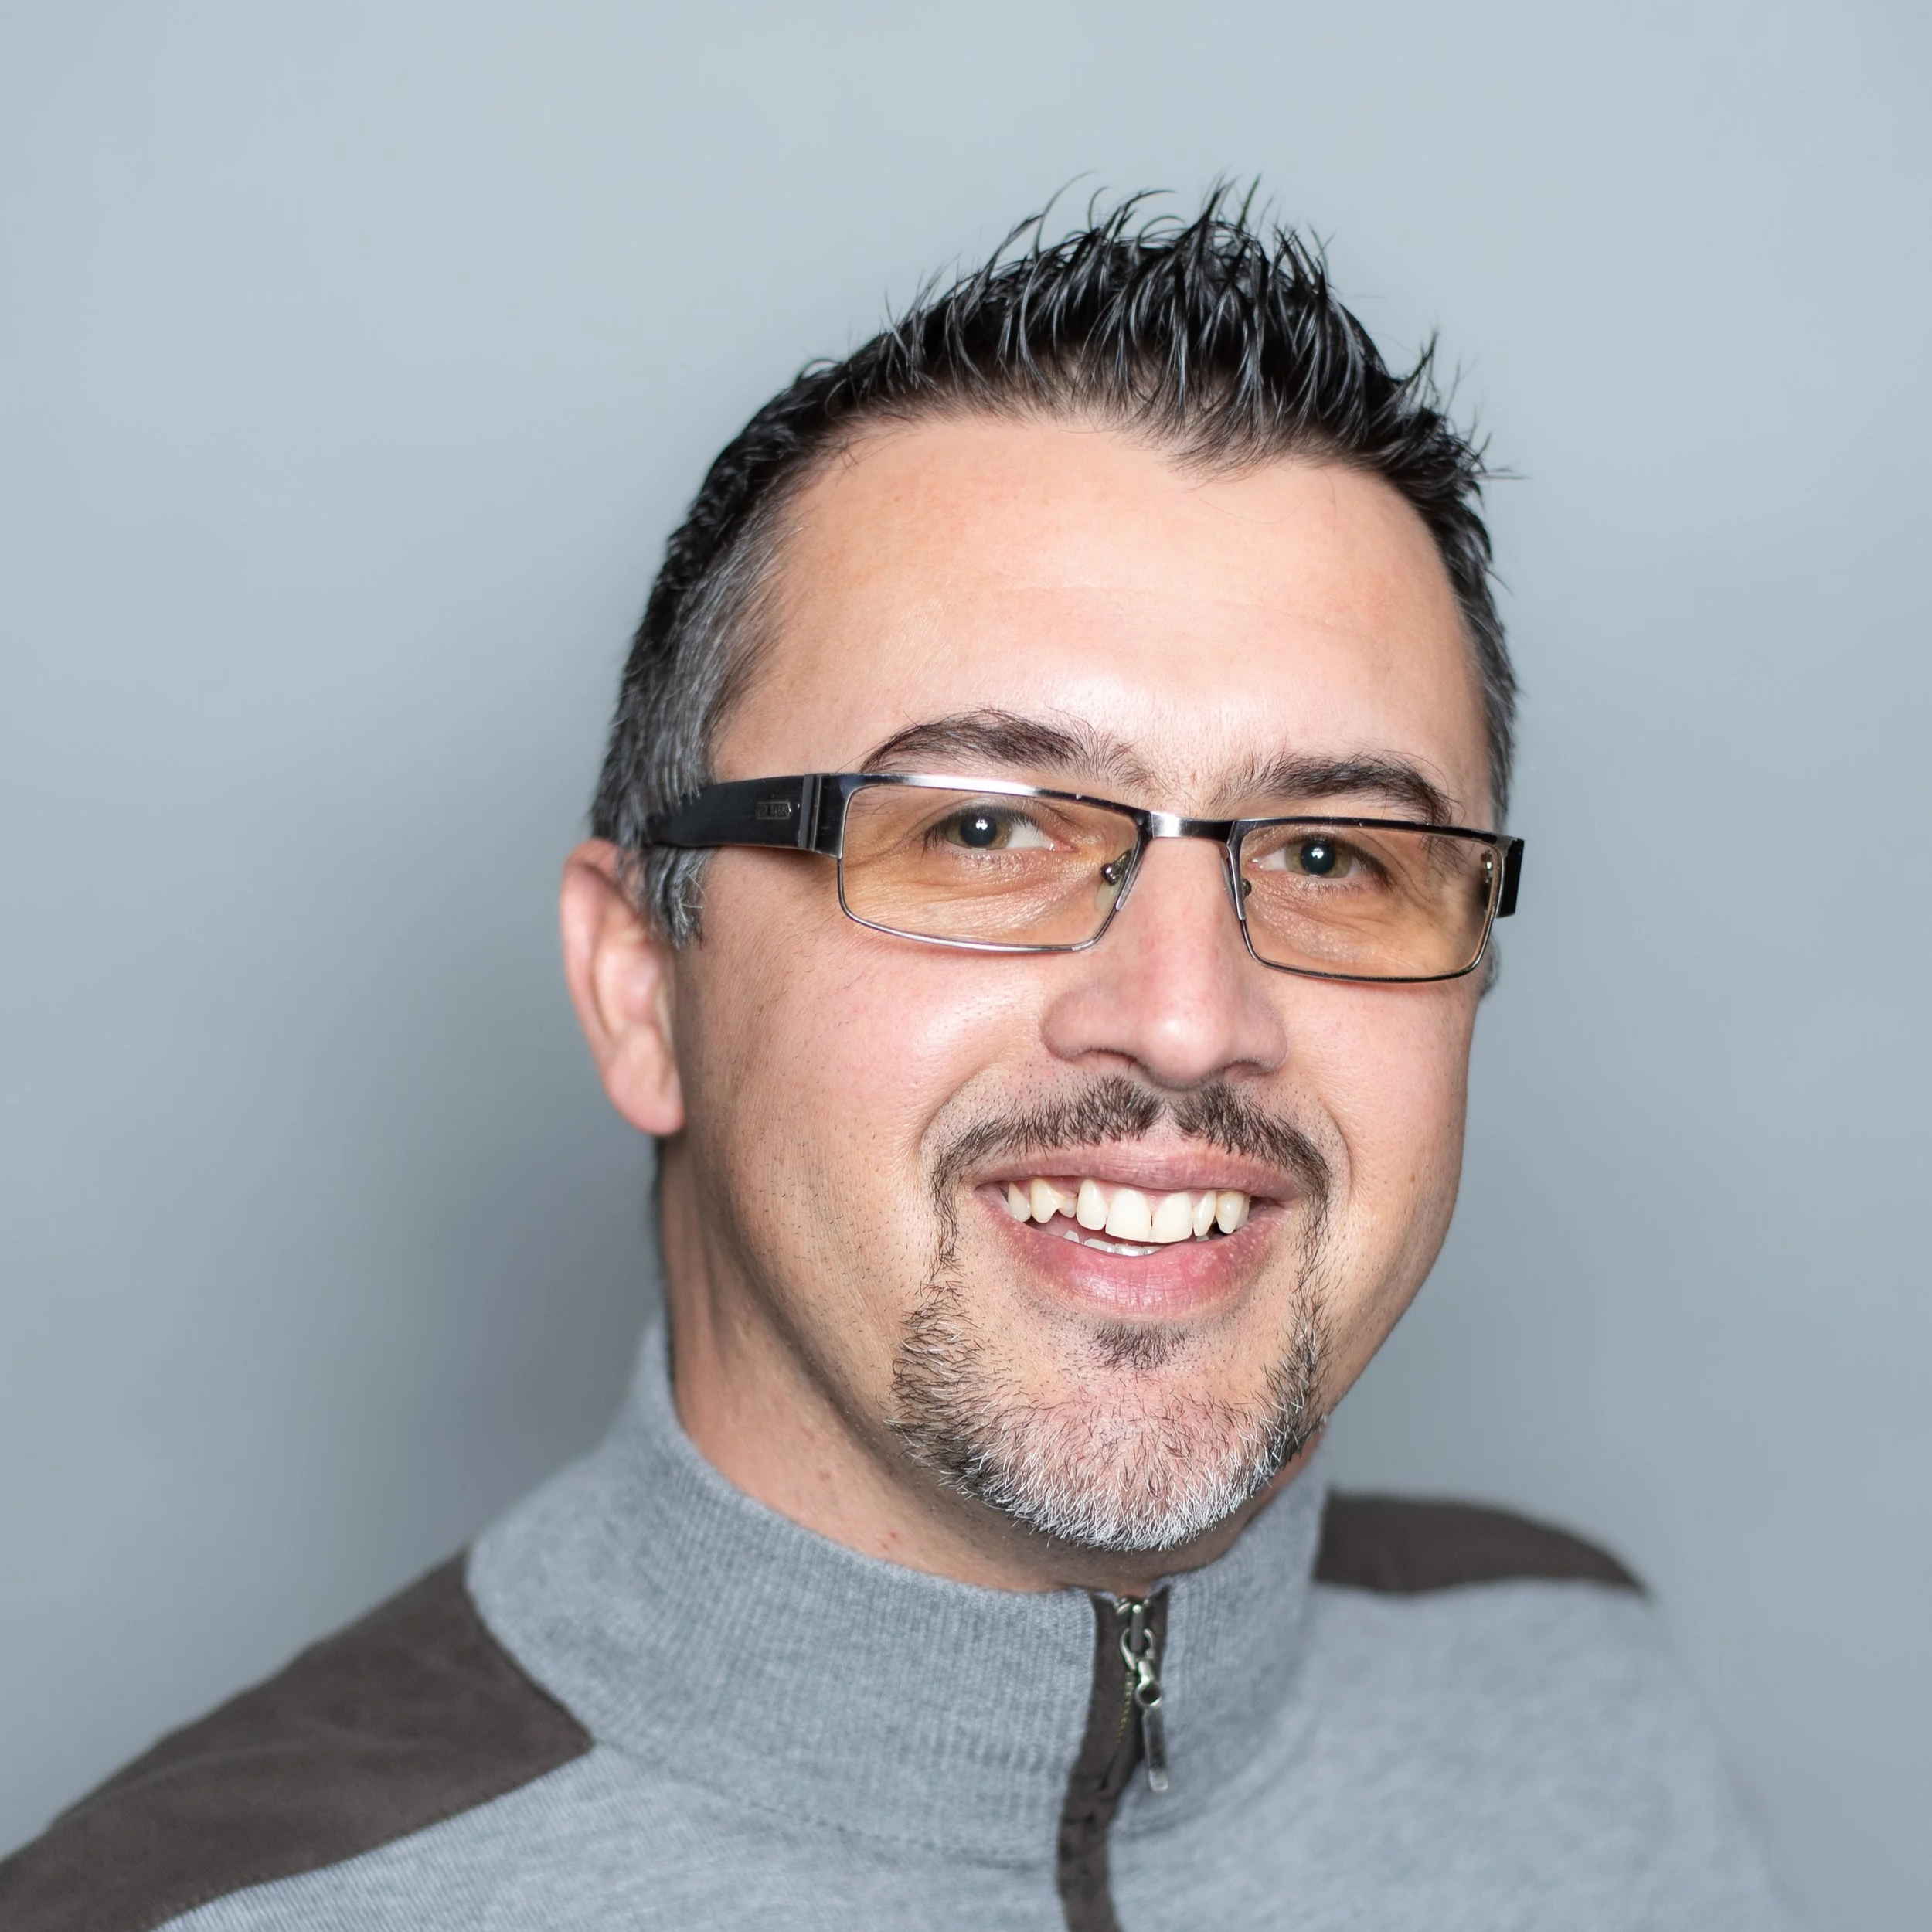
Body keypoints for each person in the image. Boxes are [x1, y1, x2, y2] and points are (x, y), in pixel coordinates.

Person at [0, 194, 1797, 1932]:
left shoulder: (1575, 1682)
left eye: (1333, 857)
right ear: (640, 983)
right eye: (984, 830)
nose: (1183, 1017)